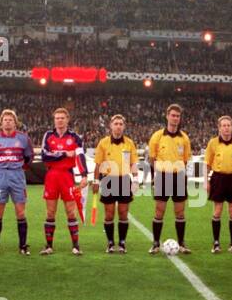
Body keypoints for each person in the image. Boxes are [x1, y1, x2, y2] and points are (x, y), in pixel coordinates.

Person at [40, 107, 86, 255]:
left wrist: (84, 175)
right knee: (50, 212)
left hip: (67, 176)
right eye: (57, 118)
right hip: (52, 176)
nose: (59, 120)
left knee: (71, 212)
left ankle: (76, 246)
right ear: (54, 120)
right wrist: (65, 153)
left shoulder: (75, 137)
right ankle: (48, 246)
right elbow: (45, 156)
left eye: (62, 118)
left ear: (67, 119)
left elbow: (80, 156)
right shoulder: (48, 135)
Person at [147, 104, 193, 254]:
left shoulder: (184, 138)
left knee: (180, 212)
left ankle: (181, 243)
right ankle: (155, 243)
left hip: (179, 177)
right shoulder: (157, 136)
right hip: (162, 176)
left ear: (180, 119)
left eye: (177, 116)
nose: (175, 118)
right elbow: (152, 158)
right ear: (167, 116)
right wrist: (156, 176)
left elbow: (186, 160)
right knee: (159, 211)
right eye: (173, 115)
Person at [0, 109, 32, 255]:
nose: (8, 122)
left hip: (17, 176)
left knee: (20, 212)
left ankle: (23, 246)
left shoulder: (24, 138)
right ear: (1, 122)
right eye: (5, 120)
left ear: (15, 122)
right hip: (0, 177)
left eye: (10, 120)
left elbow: (28, 158)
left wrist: (16, 167)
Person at [91, 114, 139, 253]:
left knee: (123, 213)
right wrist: (95, 181)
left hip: (124, 179)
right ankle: (110, 243)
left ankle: (122, 243)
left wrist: (135, 179)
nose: (118, 126)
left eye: (120, 124)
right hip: (108, 180)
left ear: (124, 126)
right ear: (111, 126)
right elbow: (98, 164)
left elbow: (134, 163)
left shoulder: (129, 143)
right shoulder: (103, 143)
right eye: (116, 123)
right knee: (109, 214)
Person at [203, 115, 232, 254]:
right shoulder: (213, 143)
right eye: (224, 125)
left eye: (229, 125)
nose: (226, 128)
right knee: (217, 211)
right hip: (218, 178)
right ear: (219, 127)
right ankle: (216, 243)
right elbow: (207, 164)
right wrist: (206, 181)